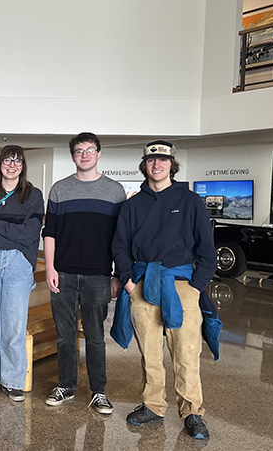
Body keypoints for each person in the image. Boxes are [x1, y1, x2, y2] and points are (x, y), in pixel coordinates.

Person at [111, 140, 219, 440]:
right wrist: (131, 283)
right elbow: (119, 246)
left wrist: (196, 288)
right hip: (143, 284)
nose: (156, 165)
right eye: (151, 160)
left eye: (162, 161)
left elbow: (207, 251)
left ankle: (192, 412)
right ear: (144, 165)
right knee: (150, 353)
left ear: (172, 165)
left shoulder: (191, 201)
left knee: (186, 352)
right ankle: (153, 405)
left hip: (183, 286)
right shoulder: (132, 205)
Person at [43, 132, 125, 414]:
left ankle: (99, 391)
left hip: (98, 276)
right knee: (65, 336)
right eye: (79, 150)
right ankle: (66, 385)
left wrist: (117, 274)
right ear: (73, 155)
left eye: (90, 150)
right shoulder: (59, 189)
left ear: (99, 154)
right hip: (63, 274)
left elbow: (120, 238)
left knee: (95, 337)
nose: (85, 155)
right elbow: (50, 233)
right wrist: (50, 268)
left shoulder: (115, 191)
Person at [0, 145, 44, 402]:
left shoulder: (33, 195)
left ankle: (13, 380)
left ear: (23, 166)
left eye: (17, 161)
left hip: (18, 263)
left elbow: (31, 231)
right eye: (7, 160)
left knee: (14, 324)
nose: (12, 165)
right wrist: (11, 235)